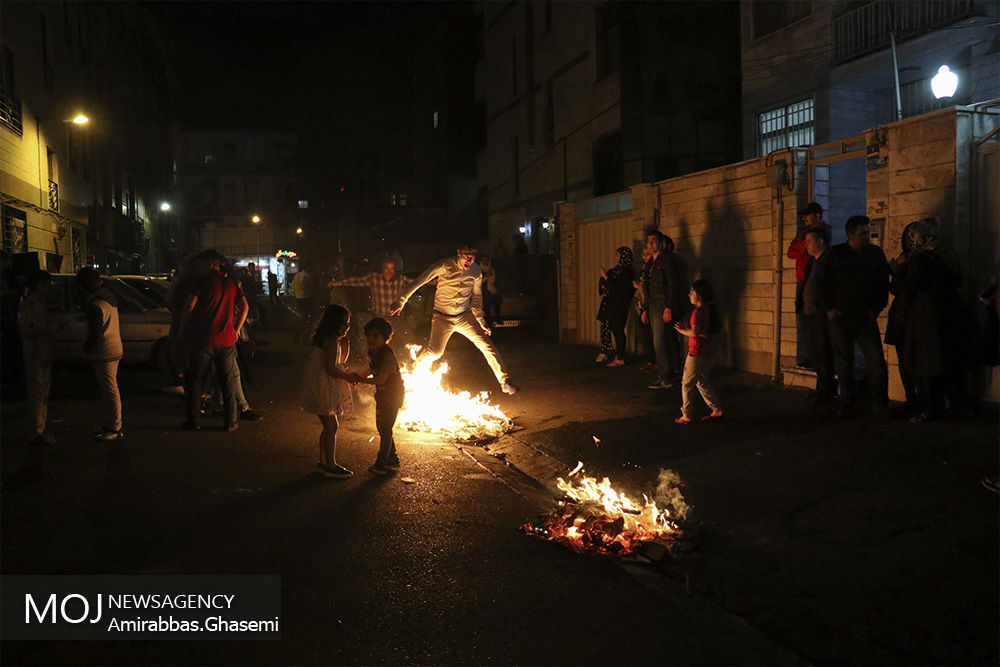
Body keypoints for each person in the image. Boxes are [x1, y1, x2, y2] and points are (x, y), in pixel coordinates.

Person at [391, 243, 520, 395]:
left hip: (464, 316)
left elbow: (477, 298)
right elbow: (421, 280)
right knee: (435, 352)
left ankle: (504, 380)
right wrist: (401, 301)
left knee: (486, 345)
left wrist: (481, 321)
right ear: (459, 253)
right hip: (442, 317)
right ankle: (415, 369)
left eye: (472, 257)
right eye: (466, 256)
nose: (469, 260)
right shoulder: (445, 265)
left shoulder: (476, 271)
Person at [819, 215, 890, 417]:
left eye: (868, 232)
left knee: (875, 359)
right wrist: (829, 309)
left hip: (864, 316)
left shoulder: (874, 254)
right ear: (850, 235)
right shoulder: (835, 255)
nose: (867, 236)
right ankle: (848, 403)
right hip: (841, 316)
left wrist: (875, 309)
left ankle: (880, 404)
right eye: (863, 233)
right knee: (844, 361)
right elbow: (821, 283)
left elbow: (882, 284)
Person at [903, 221, 972, 421]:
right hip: (949, 313)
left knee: (927, 363)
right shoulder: (946, 253)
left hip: (927, 316)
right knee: (949, 361)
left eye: (912, 236)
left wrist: (898, 271)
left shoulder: (919, 259)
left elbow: (911, 287)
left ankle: (932, 408)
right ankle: (957, 405)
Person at [179, 251, 248, 431]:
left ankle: (193, 420)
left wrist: (183, 328)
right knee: (228, 382)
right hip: (226, 340)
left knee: (196, 379)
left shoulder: (201, 282)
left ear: (211, 264)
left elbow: (189, 305)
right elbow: (244, 306)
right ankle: (231, 421)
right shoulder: (231, 284)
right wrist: (236, 329)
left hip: (203, 339)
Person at [300, 304, 359, 478]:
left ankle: (323, 462)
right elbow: (331, 369)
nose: (348, 327)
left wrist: (345, 345)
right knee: (331, 425)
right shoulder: (331, 342)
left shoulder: (327, 339)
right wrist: (348, 377)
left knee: (328, 426)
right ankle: (330, 465)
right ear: (335, 323)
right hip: (324, 386)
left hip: (318, 384)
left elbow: (338, 361)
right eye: (345, 323)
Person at [77, 267, 125, 441]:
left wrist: (88, 348)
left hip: (105, 351)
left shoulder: (95, 305)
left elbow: (95, 333)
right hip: (114, 346)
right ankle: (111, 423)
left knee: (110, 390)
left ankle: (114, 427)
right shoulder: (108, 297)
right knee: (110, 389)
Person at [18, 270, 63, 445]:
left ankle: (40, 429)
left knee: (43, 392)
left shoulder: (40, 303)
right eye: (47, 284)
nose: (49, 287)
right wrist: (50, 329)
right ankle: (37, 432)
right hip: (35, 353)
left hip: (43, 353)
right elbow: (26, 330)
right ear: (39, 284)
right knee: (37, 392)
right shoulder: (29, 304)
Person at [787, 202, 833, 368]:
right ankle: (807, 355)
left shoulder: (824, 230)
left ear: (818, 215)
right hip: (802, 278)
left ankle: (820, 356)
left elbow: (804, 250)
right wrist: (804, 244)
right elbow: (790, 252)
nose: (804, 218)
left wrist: (803, 247)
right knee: (802, 317)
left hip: (815, 278)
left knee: (816, 317)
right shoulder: (802, 234)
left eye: (808, 215)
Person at [358, 317, 405, 475]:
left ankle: (381, 463)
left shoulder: (387, 356)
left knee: (385, 428)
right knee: (382, 427)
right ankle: (392, 459)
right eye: (368, 335)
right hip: (382, 396)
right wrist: (359, 378)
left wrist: (360, 379)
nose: (371, 339)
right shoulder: (373, 351)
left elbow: (381, 379)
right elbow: (372, 369)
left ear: (386, 338)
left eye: (376, 336)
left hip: (393, 397)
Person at [674, 279, 723, 424]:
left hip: (696, 351)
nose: (689, 295)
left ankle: (686, 415)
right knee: (701, 381)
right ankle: (716, 409)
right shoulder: (709, 310)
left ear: (699, 296)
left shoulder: (697, 312)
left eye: (692, 292)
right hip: (707, 350)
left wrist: (682, 330)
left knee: (687, 383)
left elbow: (695, 332)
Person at [884, 222, 921, 414]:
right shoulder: (905, 258)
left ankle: (915, 399)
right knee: (905, 360)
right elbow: (896, 289)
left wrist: (895, 272)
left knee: (910, 360)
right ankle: (912, 398)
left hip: (909, 315)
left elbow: (902, 288)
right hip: (902, 315)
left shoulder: (914, 260)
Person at [641, 232, 685, 389]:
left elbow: (673, 284)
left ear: (660, 243)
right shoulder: (649, 264)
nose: (650, 243)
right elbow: (647, 288)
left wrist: (669, 306)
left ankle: (665, 376)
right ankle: (666, 374)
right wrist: (645, 309)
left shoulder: (667, 261)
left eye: (654, 241)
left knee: (660, 340)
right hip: (653, 305)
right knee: (659, 340)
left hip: (662, 304)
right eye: (649, 241)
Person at [801, 228, 836, 406]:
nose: (806, 245)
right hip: (811, 314)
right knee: (815, 354)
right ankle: (822, 390)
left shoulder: (827, 261)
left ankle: (826, 393)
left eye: (809, 241)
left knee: (823, 354)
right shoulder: (812, 262)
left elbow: (826, 287)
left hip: (820, 315)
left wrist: (827, 308)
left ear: (820, 242)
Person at [596, 247, 636, 366]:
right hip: (611, 304)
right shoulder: (617, 270)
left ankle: (621, 357)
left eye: (618, 255)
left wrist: (607, 278)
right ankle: (611, 352)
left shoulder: (627, 272)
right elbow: (608, 283)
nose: (617, 258)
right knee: (612, 327)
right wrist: (604, 280)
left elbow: (618, 288)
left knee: (618, 329)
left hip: (620, 305)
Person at [478, 254, 502, 329]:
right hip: (484, 292)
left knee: (496, 303)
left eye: (486, 260)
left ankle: (497, 318)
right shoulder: (478, 270)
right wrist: (487, 276)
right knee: (486, 309)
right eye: (483, 260)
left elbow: (494, 281)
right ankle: (488, 325)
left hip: (492, 291)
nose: (485, 262)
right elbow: (479, 282)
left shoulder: (492, 269)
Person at [293, 262, 317, 335]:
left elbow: (293, 286)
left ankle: (300, 333)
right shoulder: (307, 276)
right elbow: (311, 288)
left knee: (303, 316)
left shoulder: (297, 275)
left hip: (298, 298)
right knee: (308, 317)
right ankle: (304, 333)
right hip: (306, 299)